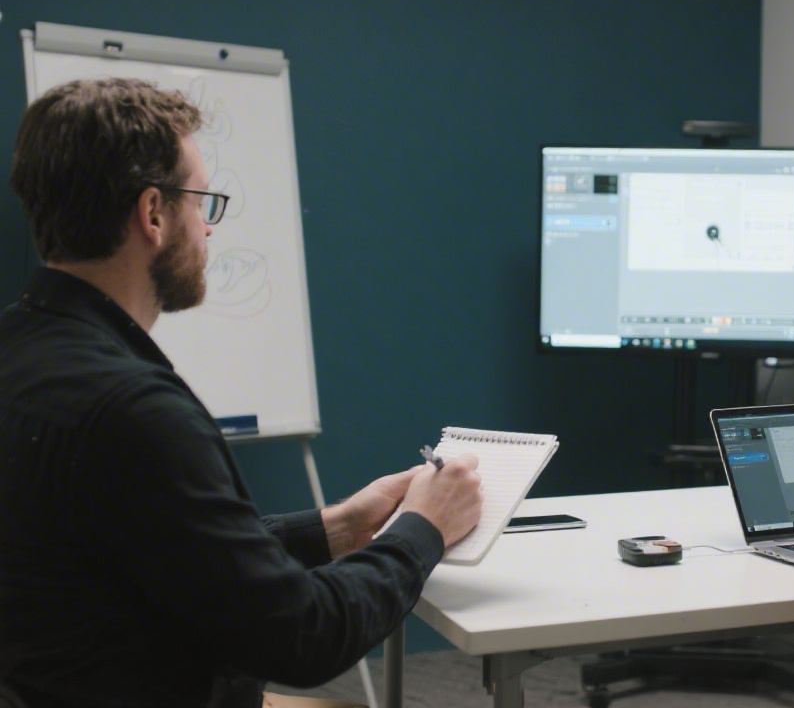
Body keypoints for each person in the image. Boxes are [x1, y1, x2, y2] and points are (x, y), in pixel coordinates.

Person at [0, 78, 483, 708]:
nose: (208, 231)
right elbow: (303, 637)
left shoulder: (20, 349)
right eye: (202, 203)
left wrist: (337, 526)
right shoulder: (135, 412)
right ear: (153, 214)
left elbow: (173, 549)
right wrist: (425, 528)